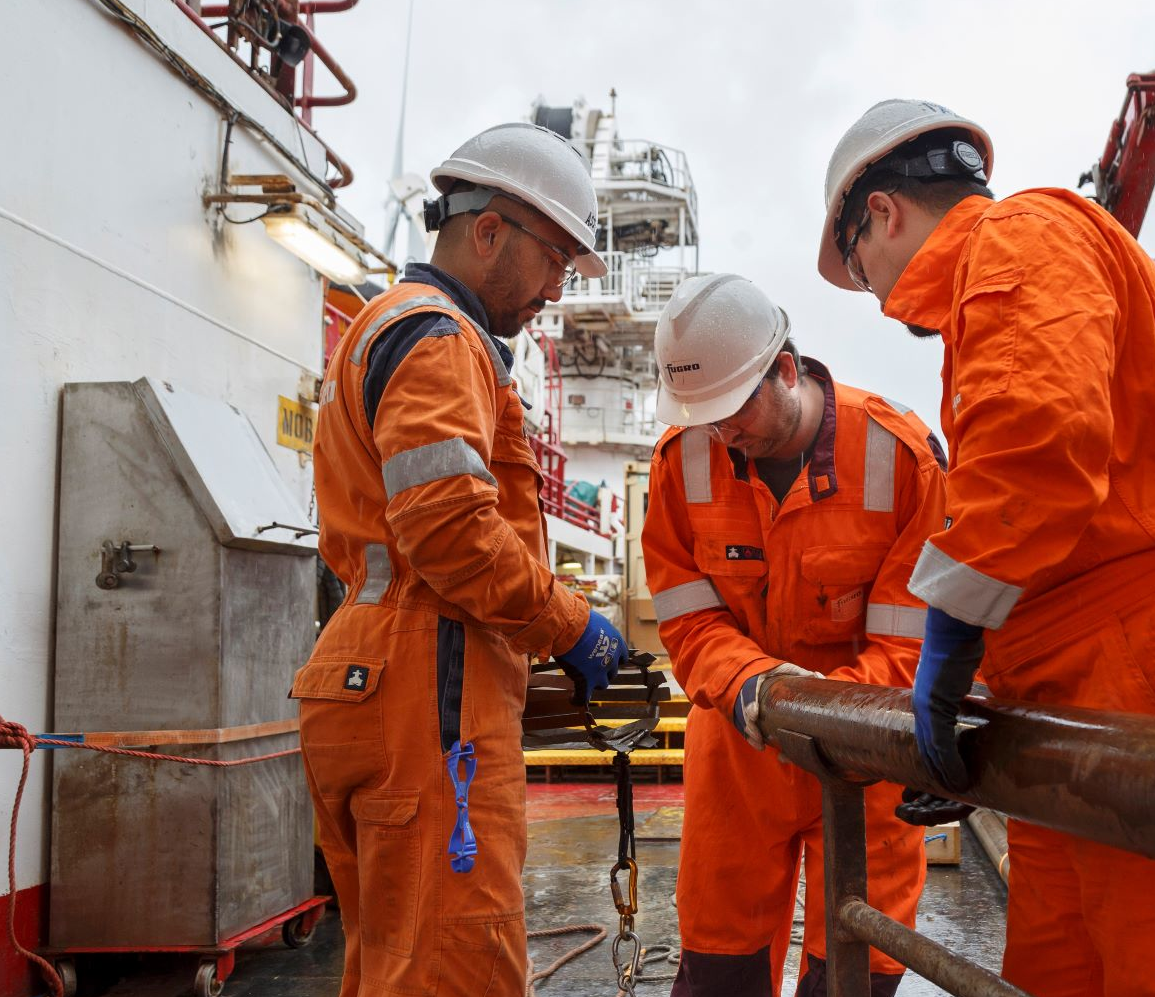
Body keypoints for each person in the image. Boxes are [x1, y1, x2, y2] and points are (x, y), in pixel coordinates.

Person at [817, 99, 1155, 997]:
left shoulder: (1017, 237)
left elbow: (1038, 445)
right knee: (1065, 970)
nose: (876, 294)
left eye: (862, 269)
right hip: (1094, 682)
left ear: (883, 214)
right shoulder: (999, 285)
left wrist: (951, 636)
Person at [292, 123, 631, 997]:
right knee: (453, 966)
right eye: (554, 259)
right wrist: (573, 627)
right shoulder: (442, 340)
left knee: (391, 962)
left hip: (371, 677)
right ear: (488, 232)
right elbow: (450, 534)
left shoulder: (386, 327)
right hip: (427, 698)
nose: (558, 289)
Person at [641, 273, 947, 997]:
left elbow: (911, 645)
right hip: (739, 746)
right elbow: (689, 621)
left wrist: (813, 713)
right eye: (701, 414)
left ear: (784, 368)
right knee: (719, 972)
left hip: (866, 754)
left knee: (851, 977)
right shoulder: (679, 464)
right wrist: (758, 687)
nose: (719, 433)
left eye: (731, 410)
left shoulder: (901, 457)